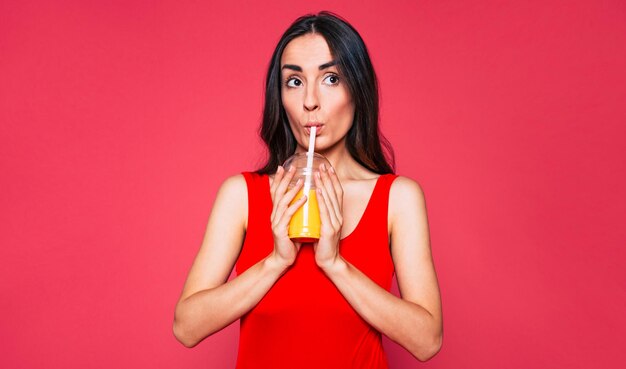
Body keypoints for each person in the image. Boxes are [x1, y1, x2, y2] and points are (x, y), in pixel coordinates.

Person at [173, 11, 442, 368]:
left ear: (357, 90)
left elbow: (427, 341)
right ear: (279, 95)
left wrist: (334, 264)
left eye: (331, 78)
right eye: (294, 82)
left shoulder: (398, 198)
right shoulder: (241, 195)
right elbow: (186, 327)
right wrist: (276, 262)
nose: (310, 102)